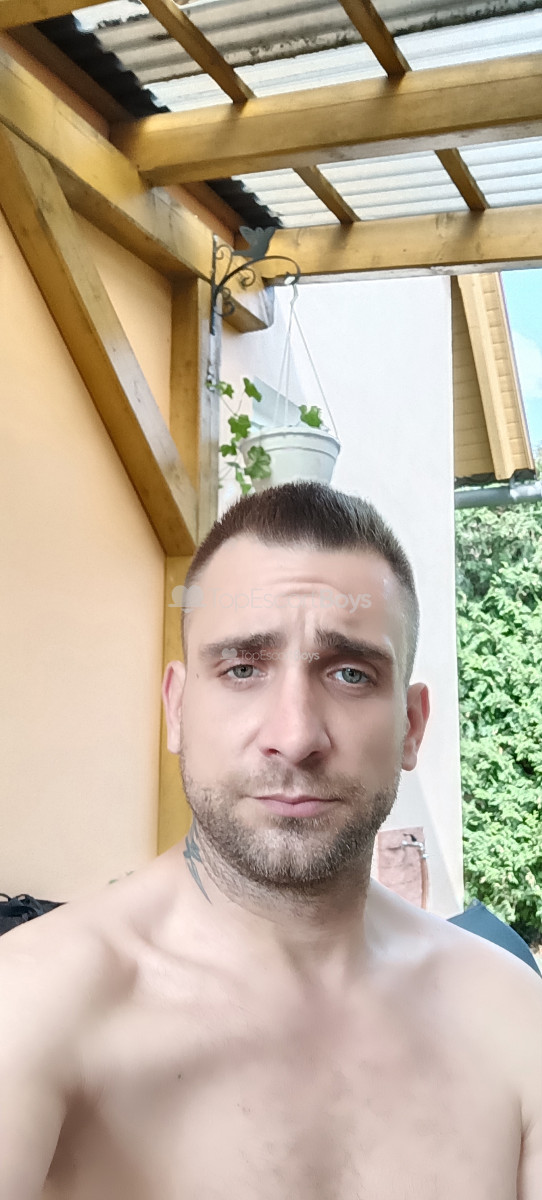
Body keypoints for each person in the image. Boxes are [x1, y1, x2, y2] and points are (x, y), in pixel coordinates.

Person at [1, 481, 541, 1200]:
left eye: (350, 673)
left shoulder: (513, 1018)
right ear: (177, 708)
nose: (295, 735)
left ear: (412, 726)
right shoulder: (31, 1002)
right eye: (243, 669)